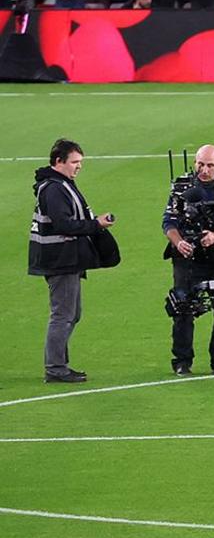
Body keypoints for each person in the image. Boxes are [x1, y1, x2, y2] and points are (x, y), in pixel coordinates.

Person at [27, 138, 115, 383]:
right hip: (60, 259)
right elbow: (63, 224)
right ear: (59, 161)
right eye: (75, 162)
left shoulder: (61, 184)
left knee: (71, 313)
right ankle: (55, 368)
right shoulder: (55, 189)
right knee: (63, 314)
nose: (79, 167)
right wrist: (95, 224)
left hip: (66, 258)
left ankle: (59, 364)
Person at [162, 143, 214, 377]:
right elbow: (168, 223)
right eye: (200, 164)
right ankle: (182, 362)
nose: (204, 169)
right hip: (186, 259)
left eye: (210, 165)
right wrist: (179, 242)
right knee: (183, 308)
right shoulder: (181, 187)